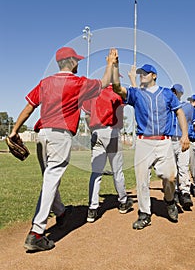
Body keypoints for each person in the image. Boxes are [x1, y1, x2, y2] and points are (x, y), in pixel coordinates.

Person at [9, 46, 118, 252]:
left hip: (41, 135)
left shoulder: (46, 82)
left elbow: (29, 106)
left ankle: (60, 213)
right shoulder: (78, 83)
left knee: (50, 178)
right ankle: (37, 233)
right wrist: (110, 63)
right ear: (72, 62)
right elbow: (104, 82)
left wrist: (15, 130)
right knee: (51, 180)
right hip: (60, 135)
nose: (78, 62)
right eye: (76, 60)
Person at [112, 61, 190, 230]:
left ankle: (169, 202)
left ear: (154, 75)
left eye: (145, 73)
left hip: (164, 141)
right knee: (141, 180)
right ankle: (144, 213)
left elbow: (179, 112)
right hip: (143, 141)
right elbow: (118, 89)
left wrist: (185, 134)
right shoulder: (136, 93)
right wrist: (114, 66)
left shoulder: (167, 94)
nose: (142, 75)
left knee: (170, 177)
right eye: (140, 73)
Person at [82, 79, 133, 223]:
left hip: (96, 132)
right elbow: (133, 97)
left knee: (96, 172)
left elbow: (86, 115)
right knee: (117, 170)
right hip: (112, 132)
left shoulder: (93, 92)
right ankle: (123, 201)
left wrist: (93, 129)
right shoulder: (117, 92)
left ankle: (92, 209)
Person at [170, 84, 195, 210]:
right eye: (172, 91)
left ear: (180, 93)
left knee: (183, 167)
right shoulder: (166, 106)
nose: (173, 93)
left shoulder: (188, 107)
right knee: (172, 170)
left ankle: (185, 193)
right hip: (168, 141)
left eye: (175, 91)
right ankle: (175, 192)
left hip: (184, 140)